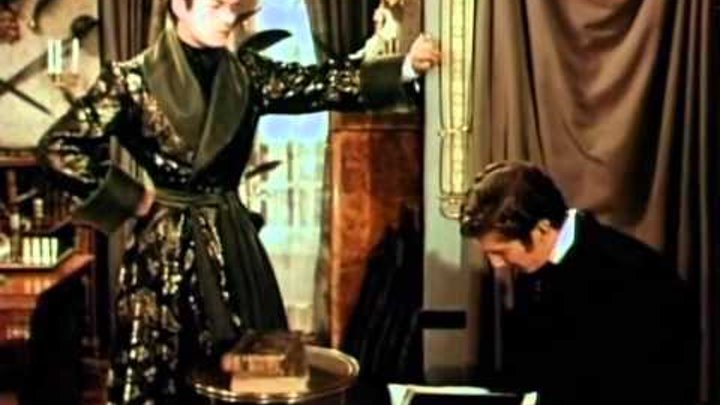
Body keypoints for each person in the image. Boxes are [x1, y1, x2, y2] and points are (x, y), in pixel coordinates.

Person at [36, 0, 441, 403]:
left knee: (251, 373)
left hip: (233, 242)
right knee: (164, 378)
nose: (229, 18)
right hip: (164, 253)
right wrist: (133, 198)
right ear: (179, 6)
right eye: (216, 7)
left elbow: (320, 83)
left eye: (233, 6)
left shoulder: (247, 74)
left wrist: (405, 67)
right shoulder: (130, 80)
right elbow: (57, 148)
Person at [459, 161, 696, 405]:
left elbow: (645, 380)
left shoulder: (632, 274)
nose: (496, 264)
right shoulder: (534, 270)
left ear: (542, 229)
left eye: (500, 252)